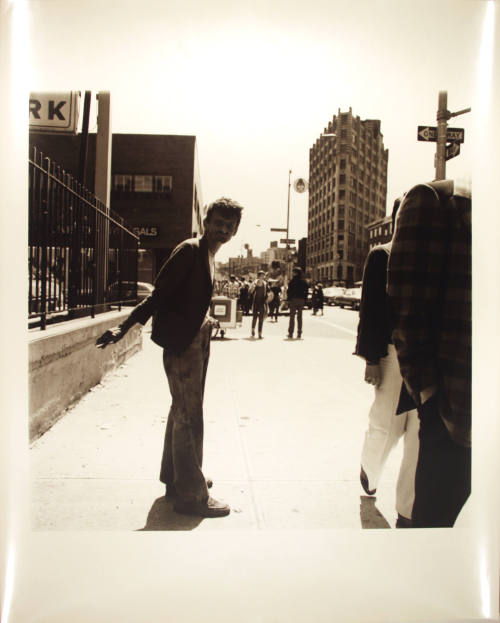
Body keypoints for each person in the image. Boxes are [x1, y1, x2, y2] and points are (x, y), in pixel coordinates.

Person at [95, 197, 243, 518]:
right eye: (219, 223)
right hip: (183, 343)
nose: (224, 230)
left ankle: (177, 479)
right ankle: (192, 496)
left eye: (230, 227)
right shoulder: (189, 250)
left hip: (196, 337)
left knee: (183, 411)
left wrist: (206, 320)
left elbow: (189, 298)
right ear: (206, 222)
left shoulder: (206, 255)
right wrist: (123, 327)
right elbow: (159, 295)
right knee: (189, 416)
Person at [387, 179, 471, 528]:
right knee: (436, 534)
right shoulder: (436, 200)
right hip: (456, 411)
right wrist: (429, 396)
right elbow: (406, 311)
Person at [355, 197, 419, 528]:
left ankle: (407, 509)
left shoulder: (425, 256)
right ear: (396, 219)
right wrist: (371, 358)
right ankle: (370, 470)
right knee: (385, 422)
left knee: (419, 433)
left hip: (423, 355)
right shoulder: (382, 254)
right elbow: (371, 309)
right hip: (392, 354)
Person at [286, 267, 308, 339]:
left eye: (293, 272)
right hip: (301, 300)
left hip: (293, 300)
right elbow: (306, 291)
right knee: (300, 317)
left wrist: (288, 300)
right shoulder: (303, 281)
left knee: (292, 317)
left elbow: (289, 291)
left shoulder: (292, 281)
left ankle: (290, 333)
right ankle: (299, 333)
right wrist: (305, 299)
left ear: (296, 273)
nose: (292, 273)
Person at [249, 270, 268, 338]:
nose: (263, 276)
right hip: (255, 302)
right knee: (255, 317)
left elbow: (267, 292)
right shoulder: (255, 282)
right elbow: (250, 291)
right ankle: (253, 329)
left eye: (264, 275)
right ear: (259, 276)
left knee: (261, 318)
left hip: (262, 302)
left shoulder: (265, 283)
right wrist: (253, 287)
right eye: (262, 275)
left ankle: (260, 333)